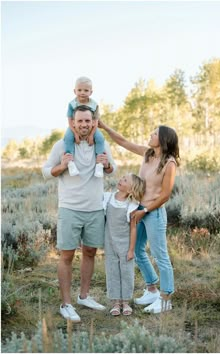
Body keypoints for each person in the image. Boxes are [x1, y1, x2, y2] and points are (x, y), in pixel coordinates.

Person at [42, 105, 116, 322]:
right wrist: (61, 166)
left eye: (87, 121)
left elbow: (114, 170)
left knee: (90, 252)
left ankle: (84, 296)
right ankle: (66, 304)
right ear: (73, 123)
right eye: (80, 121)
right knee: (66, 256)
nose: (84, 124)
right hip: (70, 209)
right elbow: (46, 172)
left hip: (94, 209)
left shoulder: (101, 145)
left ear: (93, 122)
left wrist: (108, 165)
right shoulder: (61, 146)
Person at [99, 120, 180, 314]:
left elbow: (165, 195)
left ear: (163, 140)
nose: (151, 135)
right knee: (135, 250)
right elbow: (123, 142)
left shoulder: (169, 164)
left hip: (153, 212)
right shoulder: (147, 153)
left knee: (160, 255)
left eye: (154, 134)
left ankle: (166, 298)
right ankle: (152, 289)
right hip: (139, 209)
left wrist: (145, 210)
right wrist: (105, 126)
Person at [103, 173, 146, 316]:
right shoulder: (108, 198)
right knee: (112, 271)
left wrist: (131, 249)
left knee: (126, 272)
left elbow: (133, 228)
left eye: (125, 180)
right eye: (122, 177)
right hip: (110, 243)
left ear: (130, 189)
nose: (121, 179)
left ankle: (126, 302)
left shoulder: (131, 205)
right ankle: (116, 302)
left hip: (125, 244)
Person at [65, 76, 105, 178]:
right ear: (74, 91)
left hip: (91, 128)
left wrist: (92, 135)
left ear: (91, 92)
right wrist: (75, 133)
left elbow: (95, 121)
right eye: (79, 90)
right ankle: (70, 163)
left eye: (86, 90)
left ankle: (99, 164)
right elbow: (70, 120)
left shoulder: (94, 105)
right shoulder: (72, 104)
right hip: (74, 127)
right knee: (68, 138)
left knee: (100, 138)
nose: (82, 92)